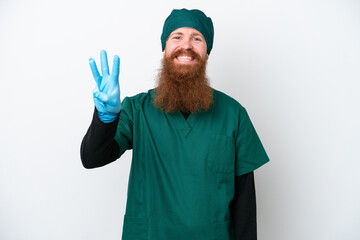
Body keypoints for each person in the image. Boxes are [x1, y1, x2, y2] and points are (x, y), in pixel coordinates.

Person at [81, 8, 269, 240]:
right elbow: (92, 158)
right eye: (177, 36)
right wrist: (105, 118)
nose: (186, 46)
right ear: (165, 48)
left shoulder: (233, 114)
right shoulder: (137, 110)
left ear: (207, 51)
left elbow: (245, 206)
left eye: (197, 38)